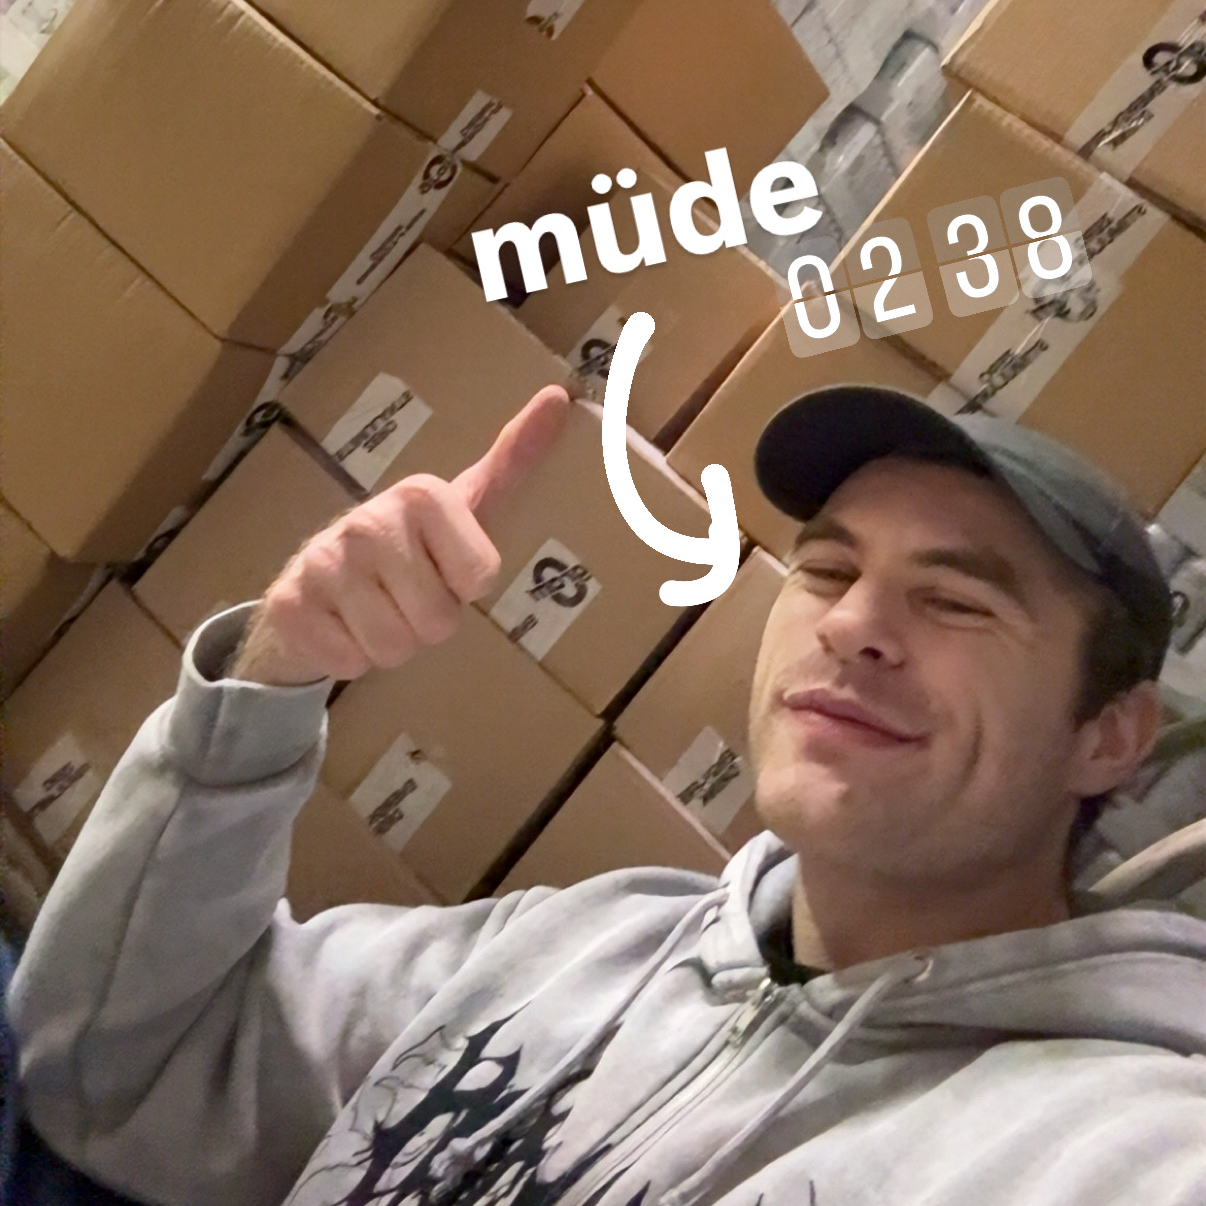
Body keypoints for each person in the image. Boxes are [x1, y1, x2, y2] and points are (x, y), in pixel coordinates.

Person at [7, 384, 1205, 1206]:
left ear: (1107, 735)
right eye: (828, 566)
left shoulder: (1105, 1140)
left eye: (955, 600)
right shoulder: (579, 943)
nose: (852, 625)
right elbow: (114, 1065)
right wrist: (276, 676)